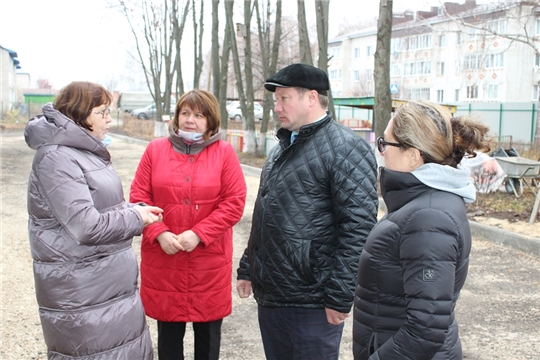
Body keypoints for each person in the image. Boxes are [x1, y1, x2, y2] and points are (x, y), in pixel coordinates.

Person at [236, 63, 379, 359]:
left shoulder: (346, 148)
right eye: (275, 100)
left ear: (311, 97)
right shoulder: (280, 149)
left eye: (283, 98)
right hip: (273, 296)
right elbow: (265, 214)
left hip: (313, 301)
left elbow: (358, 227)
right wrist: (248, 267)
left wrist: (340, 296)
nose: (277, 107)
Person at [24, 81, 163, 359]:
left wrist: (134, 209)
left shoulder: (83, 152)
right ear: (79, 113)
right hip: (83, 293)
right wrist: (134, 217)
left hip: (106, 289)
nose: (109, 118)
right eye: (102, 112)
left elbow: (102, 206)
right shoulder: (57, 157)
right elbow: (85, 226)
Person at [352, 100, 491, 360]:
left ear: (413, 155)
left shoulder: (428, 217)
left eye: (384, 143)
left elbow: (426, 327)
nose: (380, 152)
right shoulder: (423, 204)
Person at [129, 89, 247, 360]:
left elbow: (234, 202)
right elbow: (139, 199)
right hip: (165, 260)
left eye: (198, 115)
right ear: (176, 116)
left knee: (207, 342)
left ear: (211, 121)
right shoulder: (155, 150)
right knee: (169, 342)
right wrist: (159, 233)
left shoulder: (224, 153)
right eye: (185, 113)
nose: (190, 120)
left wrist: (199, 233)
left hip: (207, 262)